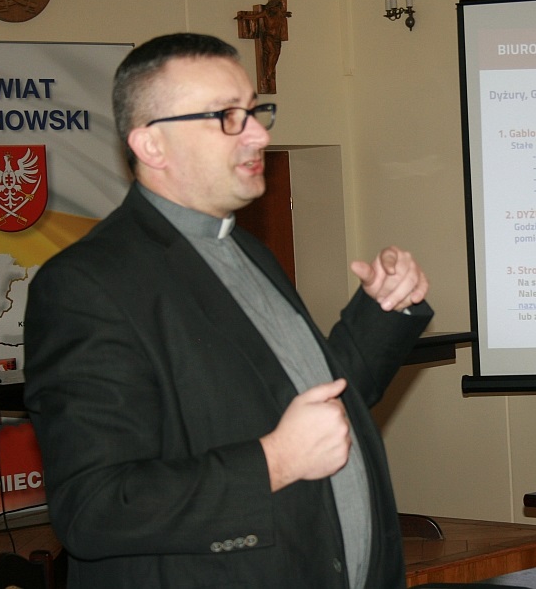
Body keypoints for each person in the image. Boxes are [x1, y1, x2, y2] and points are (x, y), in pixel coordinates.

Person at [23, 32, 432, 589]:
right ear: (152, 145)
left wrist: (382, 311)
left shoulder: (245, 250)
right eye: (227, 116)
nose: (259, 133)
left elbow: (316, 406)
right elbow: (94, 507)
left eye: (255, 111)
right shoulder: (87, 286)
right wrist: (274, 462)